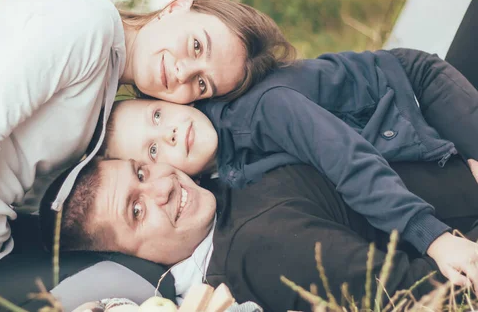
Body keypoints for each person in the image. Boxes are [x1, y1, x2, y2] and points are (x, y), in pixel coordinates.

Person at [0, 0, 293, 311]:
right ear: (178, 6)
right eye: (196, 45)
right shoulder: (86, 21)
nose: (184, 71)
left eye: (202, 83)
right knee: (142, 283)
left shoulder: (106, 81)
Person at [101, 48, 478, 285]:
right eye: (151, 152)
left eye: (156, 114)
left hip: (413, 86)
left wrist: (434, 239)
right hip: (392, 128)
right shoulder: (221, 172)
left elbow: (347, 161)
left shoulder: (258, 112)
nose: (167, 134)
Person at [39, 156, 478, 311]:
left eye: (142, 170)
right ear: (134, 256)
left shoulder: (220, 184)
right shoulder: (258, 249)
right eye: (136, 210)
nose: (162, 186)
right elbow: (427, 297)